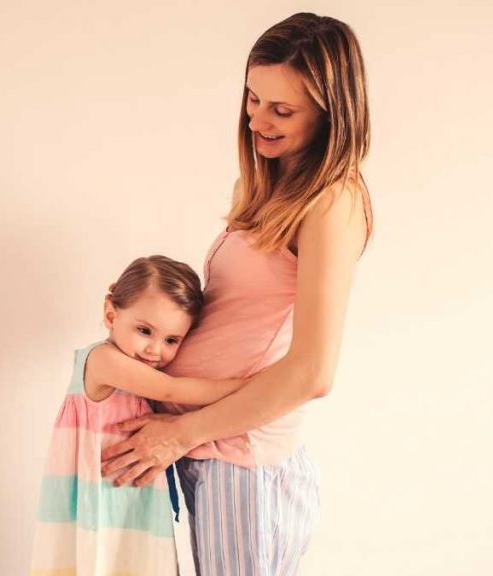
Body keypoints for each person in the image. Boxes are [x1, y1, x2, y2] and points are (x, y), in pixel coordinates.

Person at [98, 13, 374, 575]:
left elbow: (313, 372)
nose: (257, 120)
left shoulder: (331, 205)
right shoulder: (265, 185)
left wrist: (180, 433)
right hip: (203, 447)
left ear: (331, 114)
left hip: (238, 457)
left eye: (282, 110)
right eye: (252, 98)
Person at [30, 255, 252, 576]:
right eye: (145, 330)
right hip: (101, 500)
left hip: (129, 500)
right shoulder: (103, 359)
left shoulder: (133, 365)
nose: (155, 350)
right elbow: (171, 390)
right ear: (110, 313)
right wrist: (249, 387)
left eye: (171, 340)